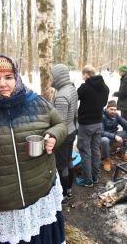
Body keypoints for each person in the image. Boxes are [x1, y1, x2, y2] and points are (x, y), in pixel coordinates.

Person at [0, 55, 67, 244]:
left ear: (17, 76)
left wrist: (54, 136)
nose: (3, 84)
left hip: (39, 191)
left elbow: (61, 124)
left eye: (8, 77)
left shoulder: (36, 101)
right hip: (1, 202)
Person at [76, 65, 109, 187]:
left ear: (86, 74)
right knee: (95, 150)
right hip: (98, 123)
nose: (82, 77)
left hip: (86, 125)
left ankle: (87, 180)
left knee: (85, 151)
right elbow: (104, 103)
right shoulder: (105, 88)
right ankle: (95, 177)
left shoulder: (85, 87)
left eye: (83, 75)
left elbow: (75, 97)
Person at [50, 63, 78, 204]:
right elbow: (75, 114)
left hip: (64, 135)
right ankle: (69, 189)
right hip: (72, 131)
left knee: (62, 165)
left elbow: (60, 123)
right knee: (69, 160)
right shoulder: (71, 89)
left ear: (58, 77)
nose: (51, 79)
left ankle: (64, 194)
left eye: (52, 76)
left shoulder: (62, 95)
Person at [101, 100, 127, 172]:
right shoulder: (102, 116)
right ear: (107, 108)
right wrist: (114, 136)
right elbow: (101, 131)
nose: (113, 111)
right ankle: (106, 160)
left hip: (114, 134)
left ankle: (121, 153)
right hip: (105, 136)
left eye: (115, 109)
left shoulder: (116, 115)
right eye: (111, 109)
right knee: (105, 140)